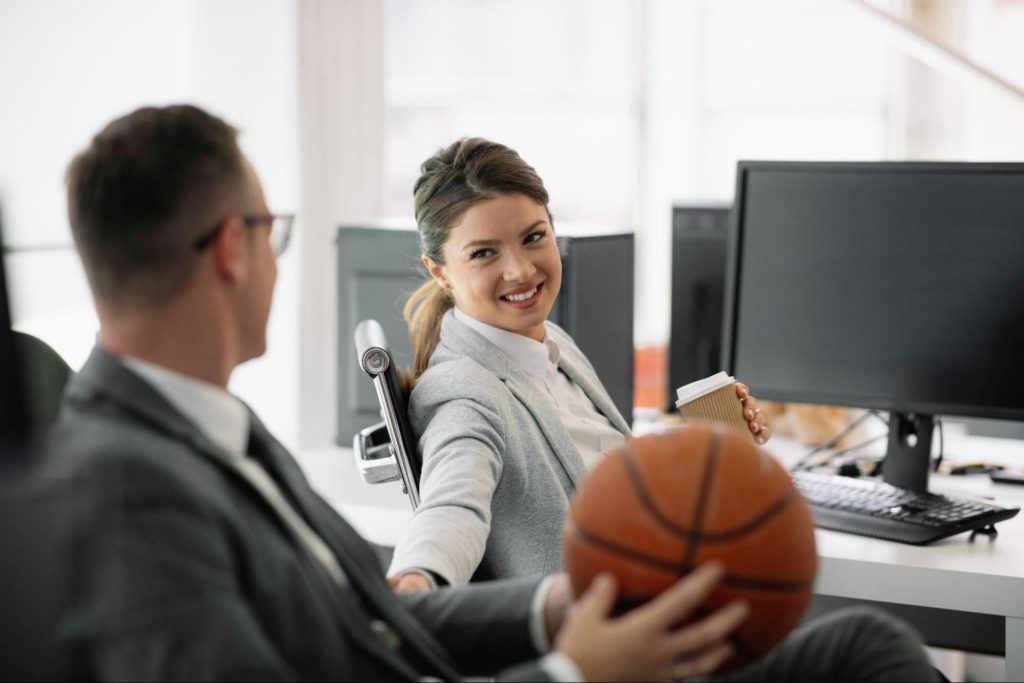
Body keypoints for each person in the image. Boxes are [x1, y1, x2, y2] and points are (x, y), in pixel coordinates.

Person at [44, 103, 764, 682]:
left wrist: (553, 608)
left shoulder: (216, 427)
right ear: (235, 247)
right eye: (274, 231)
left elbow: (376, 617)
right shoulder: (130, 489)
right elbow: (449, 508)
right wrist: (571, 669)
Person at [389, 138, 771, 591]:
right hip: (611, 636)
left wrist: (705, 447)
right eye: (484, 253)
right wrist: (416, 582)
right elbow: (452, 508)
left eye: (533, 238)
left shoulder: (553, 344)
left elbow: (608, 468)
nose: (521, 271)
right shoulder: (463, 391)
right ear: (440, 272)